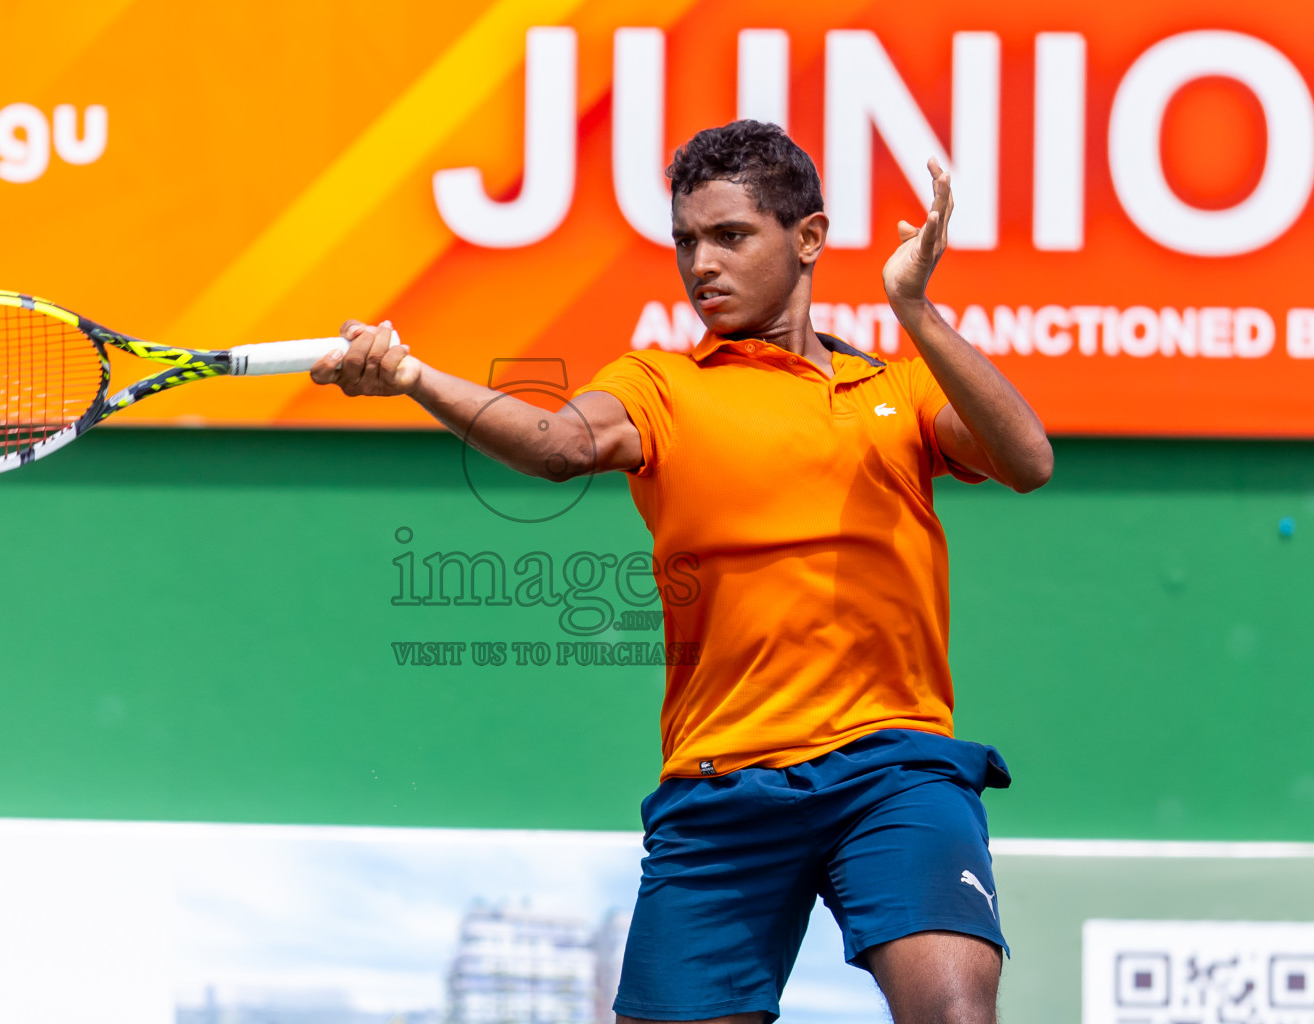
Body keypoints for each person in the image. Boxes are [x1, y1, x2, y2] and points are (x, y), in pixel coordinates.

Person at [310, 120, 1052, 1024]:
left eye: (730, 236)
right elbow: (556, 445)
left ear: (808, 238)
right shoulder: (660, 387)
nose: (702, 263)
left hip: (891, 771)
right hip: (719, 788)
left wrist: (916, 308)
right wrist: (415, 377)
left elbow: (1027, 459)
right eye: (686, 242)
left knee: (954, 1015)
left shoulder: (896, 391)